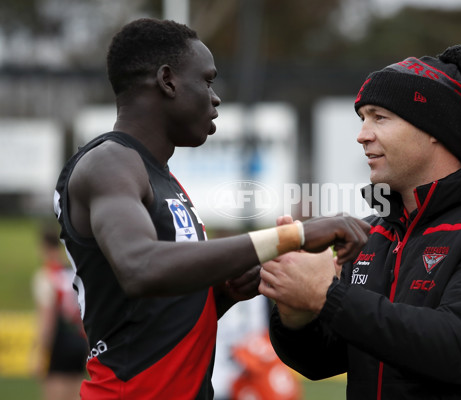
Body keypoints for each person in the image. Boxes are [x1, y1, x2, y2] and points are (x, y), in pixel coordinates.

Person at [52, 18, 370, 399]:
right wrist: (295, 234)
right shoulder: (110, 163)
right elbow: (139, 268)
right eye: (206, 80)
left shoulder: (160, 176)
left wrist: (224, 292)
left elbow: (154, 317)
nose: (215, 97)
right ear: (168, 81)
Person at [260, 45, 461, 399]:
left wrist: (328, 296)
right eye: (362, 118)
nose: (362, 134)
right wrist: (297, 312)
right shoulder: (374, 233)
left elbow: (459, 349)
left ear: (434, 128)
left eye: (379, 117)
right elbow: (322, 361)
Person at [31, 225, 88, 400]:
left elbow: (47, 318)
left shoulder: (46, 275)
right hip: (80, 341)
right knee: (76, 394)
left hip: (60, 342)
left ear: (44, 247)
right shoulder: (74, 273)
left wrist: (39, 352)